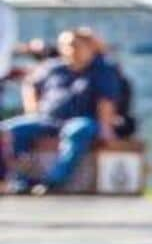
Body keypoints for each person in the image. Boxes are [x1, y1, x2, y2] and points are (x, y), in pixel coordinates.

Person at [2, 29, 124, 194]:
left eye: (75, 45)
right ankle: (19, 180)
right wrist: (32, 111)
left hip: (82, 119)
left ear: (89, 47)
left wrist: (105, 128)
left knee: (77, 131)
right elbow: (30, 84)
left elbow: (106, 101)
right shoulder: (53, 68)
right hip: (47, 119)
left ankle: (53, 181)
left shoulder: (103, 70)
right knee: (8, 131)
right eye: (65, 45)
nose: (69, 49)